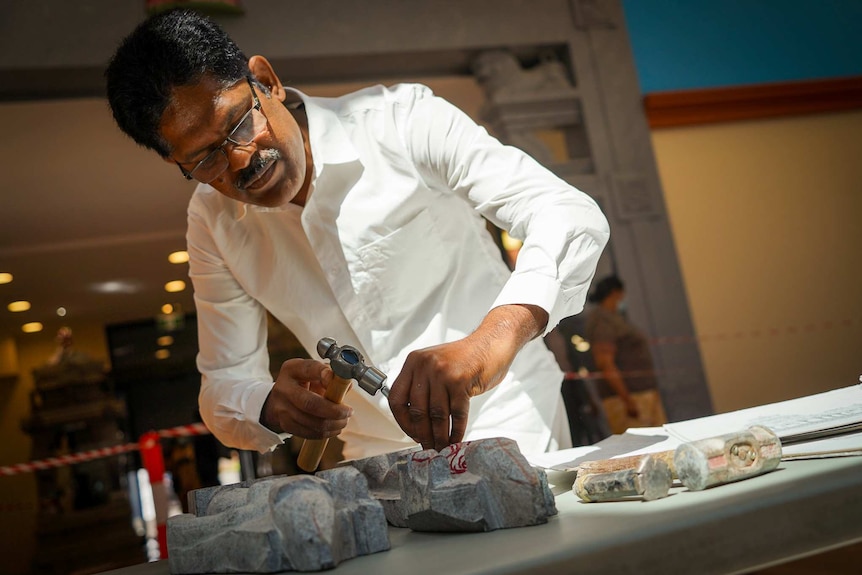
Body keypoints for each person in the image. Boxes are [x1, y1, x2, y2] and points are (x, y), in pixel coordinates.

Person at [105, 9, 609, 461]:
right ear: (179, 163)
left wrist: (488, 342)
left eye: (238, 124)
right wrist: (269, 406)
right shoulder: (211, 223)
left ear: (266, 81)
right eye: (205, 158)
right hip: (374, 459)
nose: (239, 161)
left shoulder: (401, 121)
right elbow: (222, 385)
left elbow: (567, 213)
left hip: (509, 422)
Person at [583, 275, 667, 434]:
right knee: (640, 450)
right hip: (629, 399)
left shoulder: (614, 318)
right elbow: (605, 364)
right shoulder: (602, 321)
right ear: (615, 293)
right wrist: (627, 400)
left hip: (641, 394)